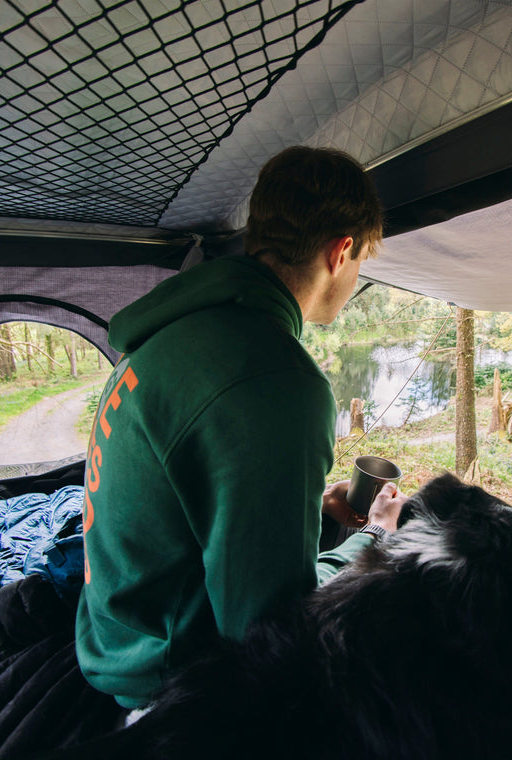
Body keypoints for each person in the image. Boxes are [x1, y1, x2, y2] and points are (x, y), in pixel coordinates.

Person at [75, 146, 408, 709]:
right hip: (172, 687)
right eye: (362, 264)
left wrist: (315, 522)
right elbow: (267, 632)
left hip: (116, 637)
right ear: (342, 250)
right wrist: (373, 543)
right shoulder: (275, 380)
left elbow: (194, 512)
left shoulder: (173, 332)